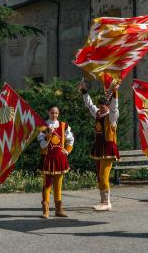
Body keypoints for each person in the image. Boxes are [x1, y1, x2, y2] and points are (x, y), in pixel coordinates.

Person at [79, 81, 119, 211]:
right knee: (99, 176)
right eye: (100, 106)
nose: (101, 108)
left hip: (108, 148)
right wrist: (84, 91)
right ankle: (103, 201)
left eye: (103, 107)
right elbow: (89, 105)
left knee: (103, 175)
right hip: (98, 148)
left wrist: (115, 93)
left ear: (107, 106)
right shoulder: (97, 114)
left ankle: (107, 202)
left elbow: (114, 107)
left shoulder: (112, 117)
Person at [37, 105, 74, 218]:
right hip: (47, 159)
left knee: (58, 185)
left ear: (58, 114)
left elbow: (71, 139)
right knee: (47, 184)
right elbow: (42, 145)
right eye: (52, 113)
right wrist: (48, 136)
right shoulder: (43, 127)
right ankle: (46, 210)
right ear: (48, 113)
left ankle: (58, 210)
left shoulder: (64, 126)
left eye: (56, 113)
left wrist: (67, 150)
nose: (54, 115)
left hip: (59, 158)